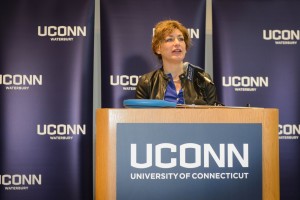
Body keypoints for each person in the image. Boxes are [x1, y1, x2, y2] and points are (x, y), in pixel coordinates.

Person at [135, 20, 219, 105]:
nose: (177, 43)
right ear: (158, 48)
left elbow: (214, 115)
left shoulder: (202, 79)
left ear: (185, 47)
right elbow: (140, 116)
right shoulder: (147, 82)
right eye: (170, 39)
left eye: (181, 39)